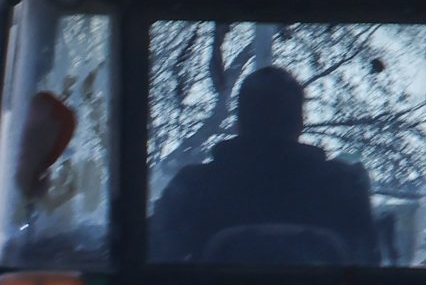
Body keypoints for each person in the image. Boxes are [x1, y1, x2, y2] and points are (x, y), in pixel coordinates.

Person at [149, 66, 379, 265]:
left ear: (239, 123)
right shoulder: (342, 187)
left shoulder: (195, 186)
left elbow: (152, 251)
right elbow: (368, 265)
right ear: (299, 123)